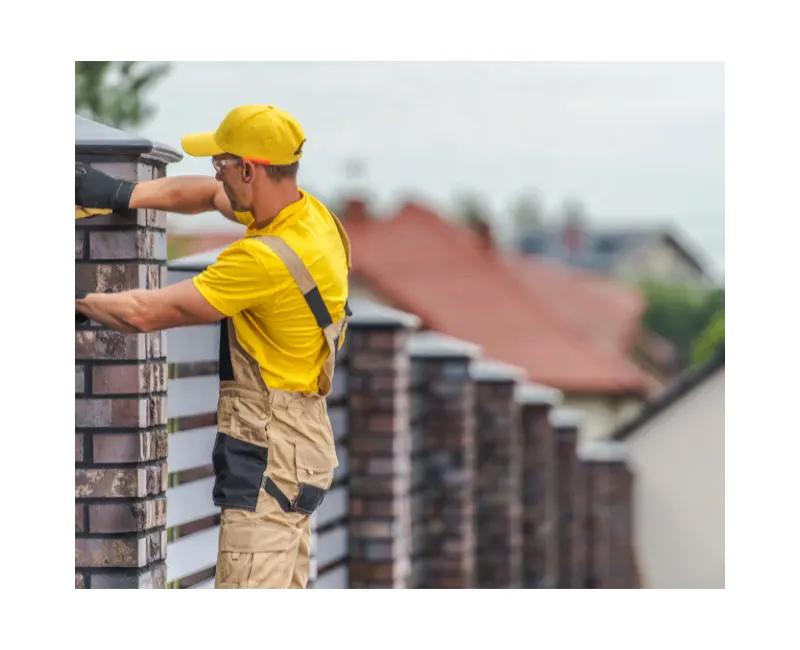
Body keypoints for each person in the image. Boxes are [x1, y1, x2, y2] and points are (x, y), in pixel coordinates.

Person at [75, 105, 351, 589]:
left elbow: (148, 312)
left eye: (220, 163)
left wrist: (78, 300)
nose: (214, 173)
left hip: (268, 455)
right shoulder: (310, 219)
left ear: (250, 169)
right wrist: (123, 193)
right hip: (301, 448)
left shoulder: (262, 261)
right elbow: (206, 196)